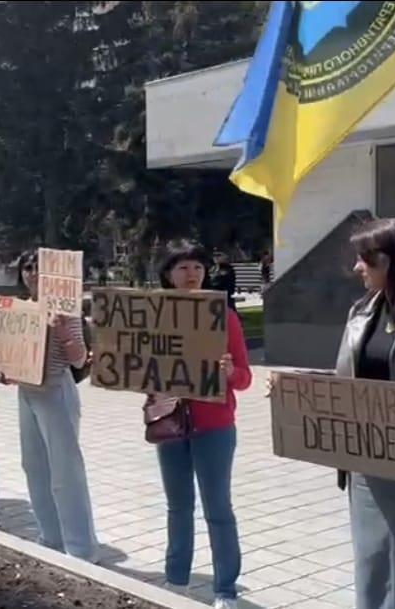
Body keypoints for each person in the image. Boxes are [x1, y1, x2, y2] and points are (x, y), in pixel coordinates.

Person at [331, 218, 395, 609]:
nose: (357, 268)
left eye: (366, 259)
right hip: (368, 463)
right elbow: (349, 374)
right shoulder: (362, 310)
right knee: (372, 564)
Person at [155, 240, 250, 609]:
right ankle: (175, 578)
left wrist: (230, 373)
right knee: (178, 505)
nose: (191, 274)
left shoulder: (223, 316)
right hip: (170, 423)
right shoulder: (153, 314)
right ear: (168, 275)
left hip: (215, 425)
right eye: (182, 267)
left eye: (197, 266)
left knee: (218, 508)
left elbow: (244, 377)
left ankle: (225, 588)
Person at [3, 250, 98, 561]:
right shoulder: (21, 309)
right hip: (27, 392)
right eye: (26, 268)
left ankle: (82, 549)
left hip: (56, 388)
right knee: (34, 467)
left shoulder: (65, 309)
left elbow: (80, 359)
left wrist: (61, 332)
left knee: (65, 471)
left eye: (37, 267)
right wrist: (6, 372)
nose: (31, 273)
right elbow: (13, 356)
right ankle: (51, 538)